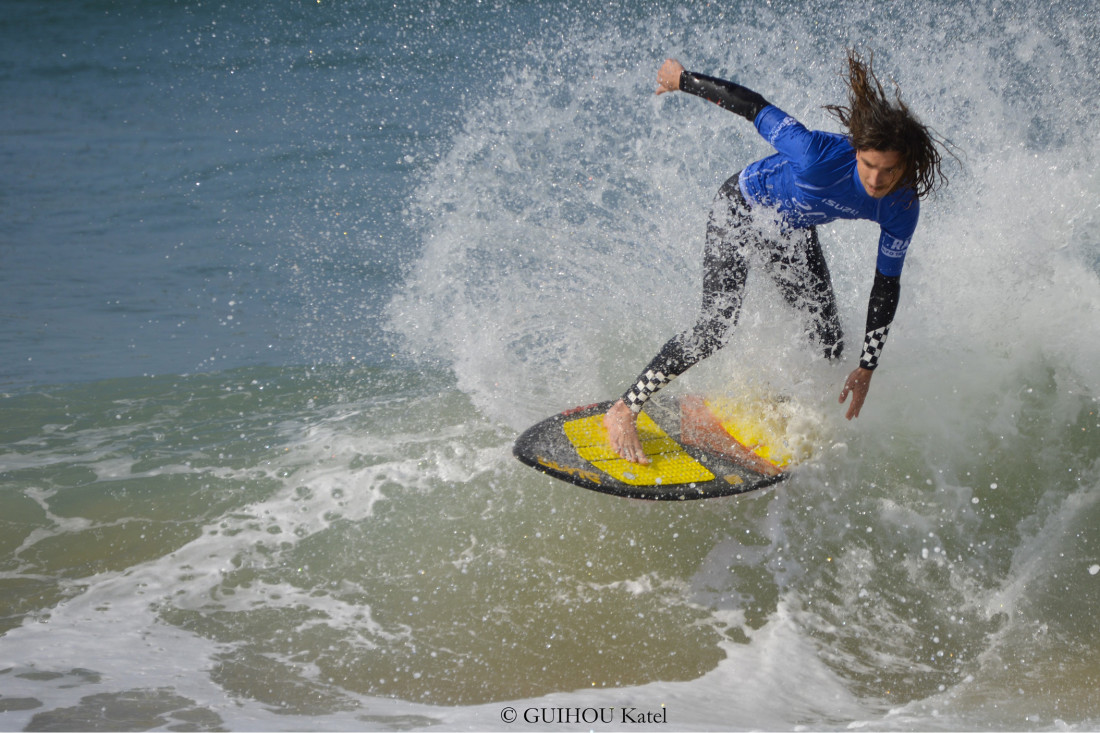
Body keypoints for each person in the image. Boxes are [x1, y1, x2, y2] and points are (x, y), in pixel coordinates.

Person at [604, 51, 949, 465]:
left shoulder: (902, 206)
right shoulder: (815, 153)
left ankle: (773, 403)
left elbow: (886, 283)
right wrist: (683, 80)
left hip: (790, 229)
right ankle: (624, 408)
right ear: (856, 151)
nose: (876, 180)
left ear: (905, 166)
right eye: (869, 165)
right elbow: (753, 107)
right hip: (741, 209)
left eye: (889, 171)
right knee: (716, 327)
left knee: (829, 343)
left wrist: (867, 367)